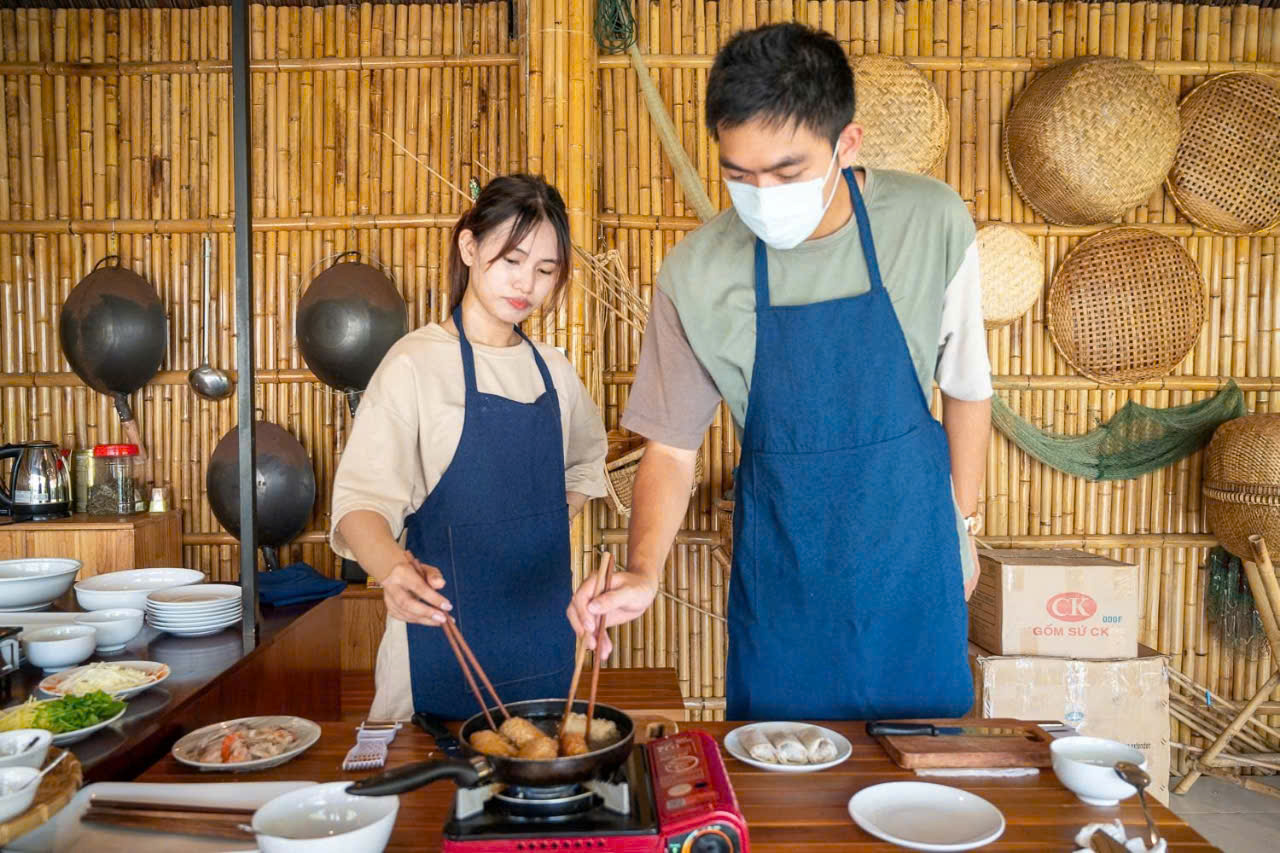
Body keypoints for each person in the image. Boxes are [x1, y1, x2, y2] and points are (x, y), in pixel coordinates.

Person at [568, 24, 993, 720]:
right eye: (739, 175)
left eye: (788, 172)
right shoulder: (695, 274)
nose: (762, 194)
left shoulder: (931, 222)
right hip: (784, 592)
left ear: (846, 144)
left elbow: (967, 386)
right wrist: (643, 569)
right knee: (782, 802)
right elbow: (672, 449)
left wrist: (963, 525)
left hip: (913, 571)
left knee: (922, 788)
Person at [331, 174, 608, 721]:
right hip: (440, 644)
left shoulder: (555, 372)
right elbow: (360, 503)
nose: (525, 283)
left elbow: (586, 464)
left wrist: (537, 521)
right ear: (469, 246)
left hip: (543, 643)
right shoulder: (414, 364)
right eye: (512, 260)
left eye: (545, 270)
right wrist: (392, 572)